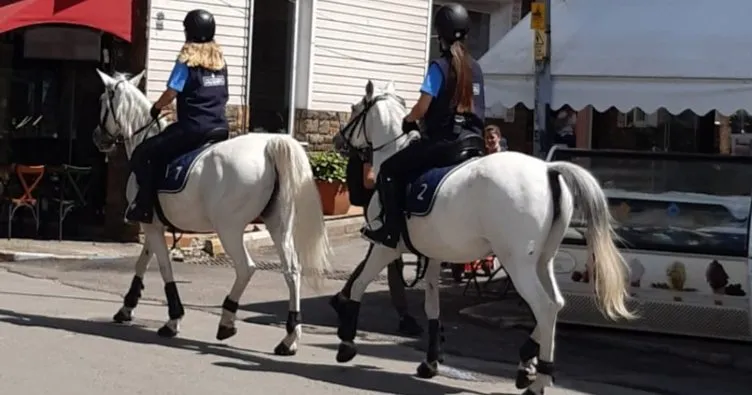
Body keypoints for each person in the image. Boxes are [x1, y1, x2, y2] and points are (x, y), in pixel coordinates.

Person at [362, 3, 486, 248]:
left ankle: (390, 231)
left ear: (441, 35)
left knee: (388, 169)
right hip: (474, 140)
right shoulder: (477, 68)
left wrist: (409, 121)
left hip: (446, 142)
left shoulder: (439, 67)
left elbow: (422, 107)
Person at [126, 9, 230, 223]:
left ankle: (144, 207)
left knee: (142, 153)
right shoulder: (221, 64)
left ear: (188, 33)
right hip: (220, 127)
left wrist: (156, 107)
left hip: (193, 129)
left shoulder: (186, 62)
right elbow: (220, 96)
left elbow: (172, 92)